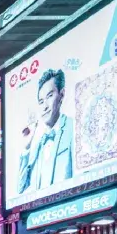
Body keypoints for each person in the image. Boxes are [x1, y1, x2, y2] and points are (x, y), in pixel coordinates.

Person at [17, 68, 74, 196]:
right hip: (42, 212)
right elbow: (20, 188)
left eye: (49, 96)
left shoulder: (73, 128)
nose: (45, 106)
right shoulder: (38, 145)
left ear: (62, 94)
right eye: (41, 101)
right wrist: (26, 147)